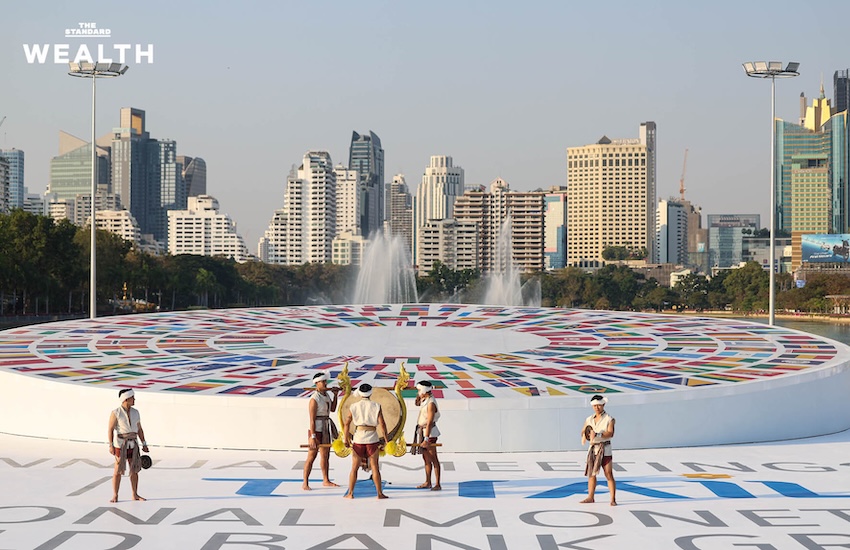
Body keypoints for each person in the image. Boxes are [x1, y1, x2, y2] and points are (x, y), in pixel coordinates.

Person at [342, 383, 389, 499]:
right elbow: (382, 424)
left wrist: (345, 439)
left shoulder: (354, 406)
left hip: (358, 438)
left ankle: (350, 493)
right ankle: (379, 493)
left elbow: (347, 423)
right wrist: (386, 440)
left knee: (354, 468)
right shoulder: (376, 405)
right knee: (375, 467)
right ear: (371, 393)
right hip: (372, 438)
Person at [107, 388, 149, 502]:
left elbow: (139, 429)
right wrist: (111, 445)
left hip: (133, 444)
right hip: (121, 445)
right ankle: (115, 495)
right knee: (117, 471)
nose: (134, 399)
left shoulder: (136, 412)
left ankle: (135, 494)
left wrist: (144, 443)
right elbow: (110, 429)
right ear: (126, 399)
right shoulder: (116, 413)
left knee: (134, 470)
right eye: (132, 398)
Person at [302, 371, 340, 490]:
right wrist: (313, 437)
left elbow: (332, 409)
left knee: (325, 456)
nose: (325, 384)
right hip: (316, 430)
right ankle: (305, 482)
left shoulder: (326, 395)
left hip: (325, 428)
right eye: (323, 382)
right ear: (317, 383)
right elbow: (312, 420)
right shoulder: (314, 399)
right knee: (311, 456)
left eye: (325, 381)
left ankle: (326, 480)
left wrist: (335, 395)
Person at [580, 394, 617, 506]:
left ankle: (613, 499)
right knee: (591, 474)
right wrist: (585, 435)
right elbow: (583, 431)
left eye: (599, 405)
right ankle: (590, 497)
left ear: (603, 405)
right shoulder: (589, 419)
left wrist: (597, 434)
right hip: (593, 449)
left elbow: (610, 433)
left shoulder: (609, 419)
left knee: (608, 473)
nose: (597, 407)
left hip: (605, 449)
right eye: (595, 405)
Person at [411, 380, 441, 490]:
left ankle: (437, 484)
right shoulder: (425, 399)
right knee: (426, 459)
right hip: (422, 432)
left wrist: (426, 439)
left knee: (433, 459)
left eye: (419, 390)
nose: (418, 392)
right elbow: (417, 403)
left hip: (430, 433)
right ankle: (428, 482)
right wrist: (419, 395)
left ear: (424, 391)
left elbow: (429, 422)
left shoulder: (431, 403)